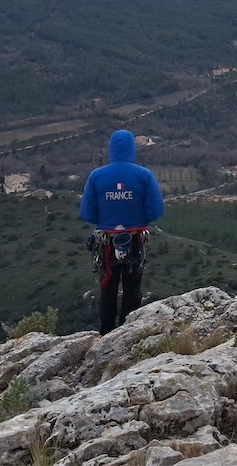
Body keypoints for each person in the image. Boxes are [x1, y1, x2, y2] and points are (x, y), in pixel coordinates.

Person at [79, 129, 164, 334]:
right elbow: (155, 211)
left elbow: (87, 213)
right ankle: (128, 331)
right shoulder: (144, 175)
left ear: (110, 149)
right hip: (134, 241)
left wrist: (108, 220)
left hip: (106, 242)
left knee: (108, 287)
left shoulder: (96, 176)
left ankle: (106, 331)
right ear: (132, 149)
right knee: (132, 287)